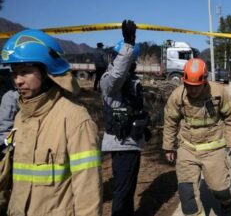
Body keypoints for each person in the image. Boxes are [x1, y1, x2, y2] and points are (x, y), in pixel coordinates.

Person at [1, 29, 102, 215]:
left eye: (25, 72)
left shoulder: (75, 119)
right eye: (14, 73)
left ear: (47, 72)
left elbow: (88, 190)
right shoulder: (21, 117)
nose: (18, 81)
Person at [163, 58, 231, 216]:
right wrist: (168, 146)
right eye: (188, 86)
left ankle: (227, 203)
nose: (192, 90)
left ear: (205, 81)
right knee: (187, 194)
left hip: (214, 148)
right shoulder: (178, 95)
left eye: (196, 87)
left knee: (221, 190)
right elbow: (170, 121)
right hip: (187, 148)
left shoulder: (218, 92)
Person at [101, 20, 149, 216]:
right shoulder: (109, 81)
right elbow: (117, 74)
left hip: (132, 142)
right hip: (121, 144)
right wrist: (128, 43)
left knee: (128, 189)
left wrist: (144, 127)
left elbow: (133, 108)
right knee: (122, 191)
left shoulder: (131, 80)